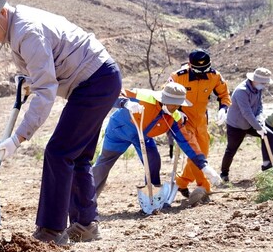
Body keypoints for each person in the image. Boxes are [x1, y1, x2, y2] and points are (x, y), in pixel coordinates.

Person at [0, 0, 122, 245]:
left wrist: (18, 138)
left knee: (58, 152)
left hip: (96, 80)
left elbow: (45, 92)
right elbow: (39, 69)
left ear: (1, 12)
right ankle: (85, 224)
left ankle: (51, 230)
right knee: (77, 154)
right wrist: (25, 80)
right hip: (97, 79)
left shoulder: (26, 31)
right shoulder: (16, 30)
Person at [93, 83, 221, 201]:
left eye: (179, 104)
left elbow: (187, 141)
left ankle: (151, 199)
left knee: (153, 161)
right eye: (174, 103)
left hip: (143, 137)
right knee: (104, 163)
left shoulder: (174, 117)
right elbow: (114, 93)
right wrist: (125, 103)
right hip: (119, 130)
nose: (177, 107)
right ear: (165, 100)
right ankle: (86, 197)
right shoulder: (145, 96)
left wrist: (204, 165)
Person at [168, 49, 231, 197]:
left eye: (205, 69)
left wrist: (224, 108)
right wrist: (177, 111)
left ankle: (181, 183)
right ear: (190, 65)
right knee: (197, 155)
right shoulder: (177, 77)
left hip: (202, 121)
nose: (202, 73)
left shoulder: (214, 76)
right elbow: (166, 97)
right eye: (198, 70)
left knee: (202, 154)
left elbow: (224, 94)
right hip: (183, 121)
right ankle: (204, 187)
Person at [219, 67, 273, 182]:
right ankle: (224, 173)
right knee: (231, 149)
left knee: (269, 135)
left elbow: (259, 107)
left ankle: (267, 166)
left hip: (252, 122)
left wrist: (260, 122)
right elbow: (246, 112)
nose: (264, 85)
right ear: (254, 80)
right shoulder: (242, 91)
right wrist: (258, 127)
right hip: (236, 124)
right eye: (263, 83)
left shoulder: (258, 89)